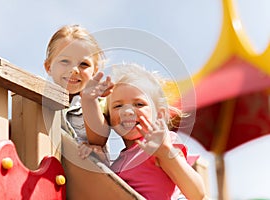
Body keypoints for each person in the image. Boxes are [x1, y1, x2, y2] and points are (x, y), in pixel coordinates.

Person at [81, 63, 207, 200]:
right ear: (109, 118)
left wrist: (166, 153)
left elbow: (196, 193)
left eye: (139, 104)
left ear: (159, 114)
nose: (127, 112)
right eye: (118, 106)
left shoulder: (161, 145)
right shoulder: (116, 164)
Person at [44, 24, 111, 162]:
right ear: (49, 67)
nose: (74, 69)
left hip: (87, 173)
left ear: (94, 71)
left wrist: (89, 100)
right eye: (65, 61)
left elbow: (98, 139)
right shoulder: (39, 101)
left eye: (84, 64)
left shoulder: (97, 100)